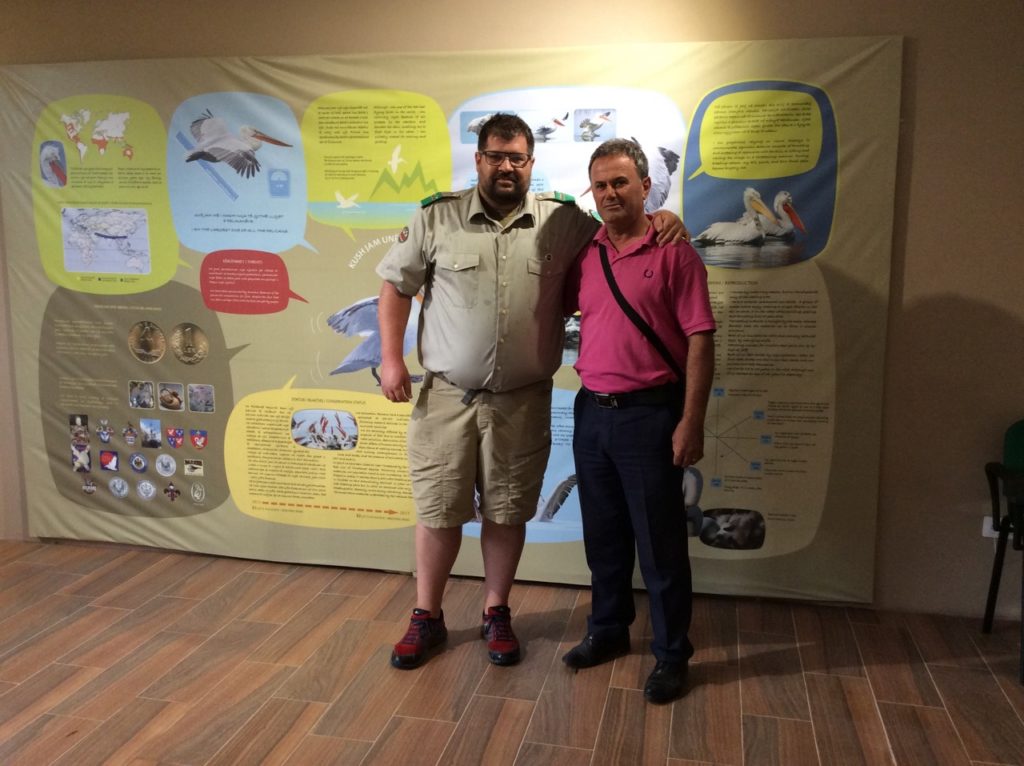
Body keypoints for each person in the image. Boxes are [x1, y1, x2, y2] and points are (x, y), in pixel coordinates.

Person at [376, 115, 687, 670]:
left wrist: (664, 217)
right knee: (439, 509)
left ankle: (496, 611)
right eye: (496, 156)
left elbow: (622, 227)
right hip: (447, 396)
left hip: (521, 400)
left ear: (530, 163)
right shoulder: (437, 217)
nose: (506, 166)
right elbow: (396, 286)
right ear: (478, 159)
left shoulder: (562, 221)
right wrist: (391, 360)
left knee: (508, 508)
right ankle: (427, 615)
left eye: (517, 158)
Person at [561, 138, 715, 704]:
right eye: (600, 185)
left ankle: (672, 654)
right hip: (591, 412)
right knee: (603, 537)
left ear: (646, 186)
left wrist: (691, 420)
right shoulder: (586, 252)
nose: (609, 194)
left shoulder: (675, 253)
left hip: (650, 416)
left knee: (660, 545)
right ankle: (608, 629)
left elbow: (700, 340)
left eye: (620, 182)